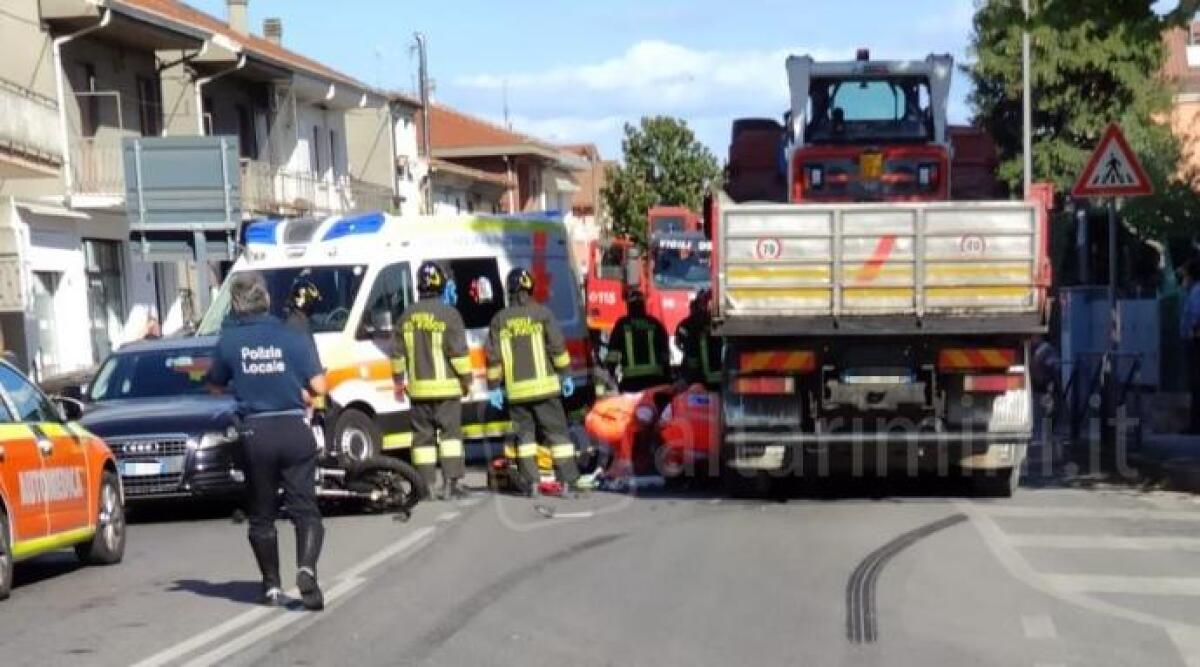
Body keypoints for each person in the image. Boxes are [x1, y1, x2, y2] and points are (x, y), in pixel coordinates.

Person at [206, 272, 328, 610]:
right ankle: (306, 569)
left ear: (235, 305)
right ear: (267, 301)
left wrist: (244, 382)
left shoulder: (229, 341)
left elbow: (215, 385)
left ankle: (272, 586)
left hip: (255, 434)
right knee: (306, 510)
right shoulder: (292, 335)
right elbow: (319, 387)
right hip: (293, 429)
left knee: (262, 515)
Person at [486, 268, 580, 495]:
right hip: (546, 390)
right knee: (557, 435)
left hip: (517, 393)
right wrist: (566, 374)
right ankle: (567, 481)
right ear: (530, 288)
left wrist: (494, 388)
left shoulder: (499, 320)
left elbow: (494, 358)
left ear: (509, 290)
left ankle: (533, 484)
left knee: (525, 439)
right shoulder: (543, 314)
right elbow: (557, 348)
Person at [392, 262, 472, 499]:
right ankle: (452, 484)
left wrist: (398, 381)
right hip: (447, 390)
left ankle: (424, 486)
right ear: (440, 285)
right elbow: (457, 353)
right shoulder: (450, 315)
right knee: (450, 437)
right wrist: (467, 380)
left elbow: (397, 355)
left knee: (422, 441)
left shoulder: (406, 316)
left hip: (418, 392)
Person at [605, 289, 671, 393]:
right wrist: (667, 377)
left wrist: (610, 373)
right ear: (643, 304)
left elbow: (613, 353)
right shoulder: (655, 324)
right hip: (655, 381)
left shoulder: (622, 324)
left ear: (629, 305)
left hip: (631, 383)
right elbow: (665, 353)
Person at [674, 288, 723, 390]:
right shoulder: (728, 323)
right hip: (725, 380)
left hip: (699, 380)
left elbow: (679, 343)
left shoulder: (690, 324)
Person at [1180, 259, 1200, 434]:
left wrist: (1193, 333)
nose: (1182, 280)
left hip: (1196, 342)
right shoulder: (1193, 292)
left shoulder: (1196, 292)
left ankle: (1196, 424)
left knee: (1196, 384)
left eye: (1184, 275)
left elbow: (1195, 316)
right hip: (1193, 340)